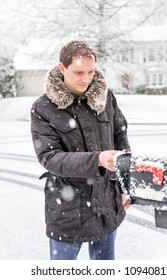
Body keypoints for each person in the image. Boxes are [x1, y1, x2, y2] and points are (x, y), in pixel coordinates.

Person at [30, 41, 130, 260]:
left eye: (91, 71)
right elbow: (50, 157)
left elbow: (120, 136)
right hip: (68, 207)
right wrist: (97, 160)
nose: (86, 78)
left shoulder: (106, 98)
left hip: (106, 201)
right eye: (78, 72)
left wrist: (125, 185)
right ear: (62, 68)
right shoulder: (43, 107)